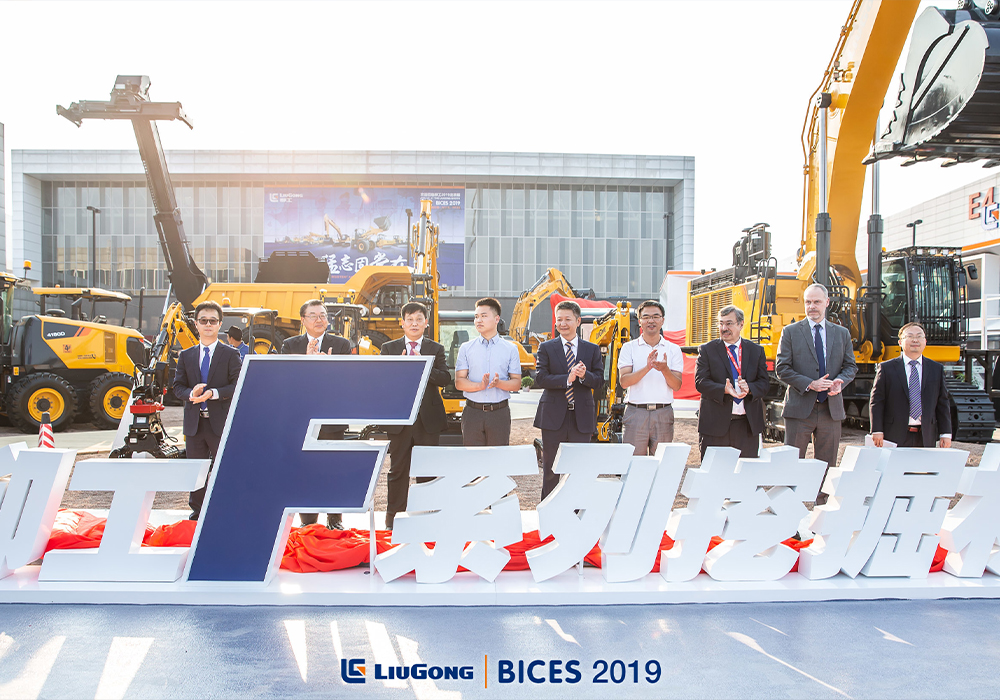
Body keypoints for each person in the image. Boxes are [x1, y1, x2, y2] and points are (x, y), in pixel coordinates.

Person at [775, 283, 857, 502]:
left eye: (817, 302)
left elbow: (851, 366)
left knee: (827, 466)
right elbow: (782, 368)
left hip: (831, 409)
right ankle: (788, 509)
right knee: (791, 463)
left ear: (827, 303)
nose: (812, 306)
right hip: (800, 408)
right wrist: (810, 384)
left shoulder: (842, 334)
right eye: (808, 302)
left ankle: (822, 511)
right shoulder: (791, 332)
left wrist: (840, 381)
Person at [281, 299, 352, 529]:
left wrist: (328, 367)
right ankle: (308, 520)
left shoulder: (341, 345)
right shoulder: (290, 345)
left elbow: (349, 380)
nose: (319, 319)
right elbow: (286, 381)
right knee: (305, 469)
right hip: (301, 419)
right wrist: (307, 362)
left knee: (333, 469)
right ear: (303, 320)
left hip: (331, 418)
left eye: (322, 315)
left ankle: (335, 518)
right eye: (313, 315)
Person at [379, 302, 451, 530]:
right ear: (402, 322)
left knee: (427, 470)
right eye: (409, 319)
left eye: (419, 319)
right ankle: (393, 519)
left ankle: (426, 519)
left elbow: (445, 378)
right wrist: (401, 367)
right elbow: (381, 381)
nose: (414, 324)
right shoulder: (389, 348)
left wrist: (423, 365)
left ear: (426, 323)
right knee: (398, 470)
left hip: (427, 420)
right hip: (400, 419)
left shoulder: (435, 348)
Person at [173, 301, 242, 521]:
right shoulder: (186, 355)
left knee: (224, 469)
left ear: (220, 324)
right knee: (196, 471)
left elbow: (238, 384)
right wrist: (190, 394)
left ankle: (227, 509)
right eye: (203, 320)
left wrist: (213, 393)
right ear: (196, 324)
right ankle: (197, 513)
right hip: (195, 424)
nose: (208, 324)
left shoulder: (230, 354)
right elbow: (177, 387)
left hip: (220, 422)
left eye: (213, 320)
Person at [533, 300, 604, 499]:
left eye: (567, 319)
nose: (562, 324)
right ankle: (548, 509)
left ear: (578, 321)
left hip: (581, 416)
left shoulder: (591, 349)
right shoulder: (546, 347)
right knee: (551, 469)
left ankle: (575, 508)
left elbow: (599, 381)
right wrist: (568, 378)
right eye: (559, 320)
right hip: (553, 416)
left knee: (578, 467)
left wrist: (584, 376)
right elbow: (540, 378)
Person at [695, 305, 770, 459]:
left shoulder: (756, 351)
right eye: (721, 323)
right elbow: (700, 382)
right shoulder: (707, 350)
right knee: (715, 471)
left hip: (747, 426)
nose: (724, 328)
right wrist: (724, 389)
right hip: (715, 426)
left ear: (741, 324)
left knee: (745, 471)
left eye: (729, 323)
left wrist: (750, 388)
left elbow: (764, 383)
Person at [617, 300, 684, 456]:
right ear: (639, 321)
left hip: (663, 413)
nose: (651, 321)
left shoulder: (673, 349)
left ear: (662, 320)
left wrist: (665, 369)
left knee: (660, 463)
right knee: (633, 462)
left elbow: (676, 385)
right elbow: (624, 382)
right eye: (646, 317)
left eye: (655, 316)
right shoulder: (629, 348)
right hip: (636, 412)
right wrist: (647, 367)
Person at [870, 322, 952, 448]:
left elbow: (943, 403)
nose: (915, 340)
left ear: (925, 341)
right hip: (894, 434)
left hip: (925, 435)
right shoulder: (886, 368)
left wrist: (945, 433)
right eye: (910, 336)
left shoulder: (936, 369)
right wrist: (877, 430)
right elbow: (877, 401)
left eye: (919, 336)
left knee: (923, 462)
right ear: (900, 342)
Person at [454, 297, 521, 446]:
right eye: (476, 316)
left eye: (484, 316)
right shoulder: (466, 348)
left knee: (497, 457)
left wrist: (499, 383)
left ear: (497, 319)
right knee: (473, 457)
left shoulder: (511, 349)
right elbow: (459, 382)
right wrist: (480, 386)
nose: (478, 320)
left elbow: (516, 383)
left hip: (499, 414)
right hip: (472, 413)